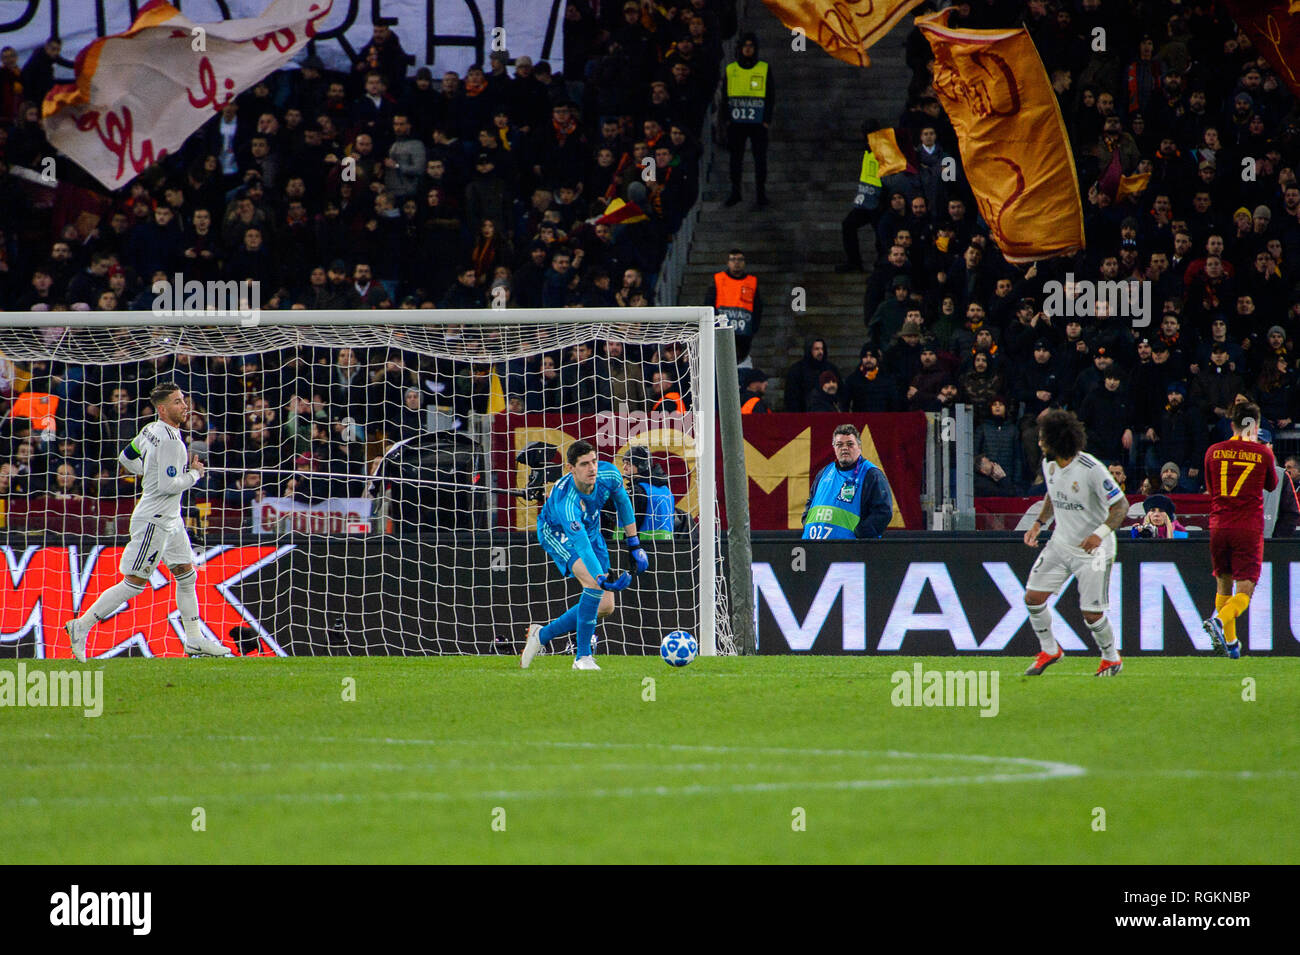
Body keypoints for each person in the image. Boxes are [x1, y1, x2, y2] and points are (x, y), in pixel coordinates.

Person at [62, 382, 231, 660]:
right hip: (154, 519)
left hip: (171, 518)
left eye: (184, 400)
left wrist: (146, 472)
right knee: (134, 583)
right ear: (163, 409)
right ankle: (82, 625)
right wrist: (195, 474)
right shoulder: (172, 442)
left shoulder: (149, 430)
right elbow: (167, 486)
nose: (185, 406)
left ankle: (194, 640)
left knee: (187, 575)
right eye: (178, 402)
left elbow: (125, 458)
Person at [521, 440, 648, 671]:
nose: (592, 468)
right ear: (571, 468)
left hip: (590, 529)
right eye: (584, 464)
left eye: (594, 461)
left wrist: (634, 543)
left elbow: (623, 502)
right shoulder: (566, 503)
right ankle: (582, 657)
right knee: (593, 583)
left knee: (606, 607)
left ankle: (542, 635)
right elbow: (581, 547)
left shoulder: (608, 473)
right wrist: (599, 578)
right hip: (557, 532)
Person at [1022, 409, 1129, 677]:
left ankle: (1111, 658)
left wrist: (1099, 534)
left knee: (1091, 614)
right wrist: (1039, 523)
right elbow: (1052, 493)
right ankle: (1049, 650)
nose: (1039, 442)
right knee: (1033, 598)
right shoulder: (1049, 464)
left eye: (1043, 438)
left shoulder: (1091, 469)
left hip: (1093, 550)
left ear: (1058, 440)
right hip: (1060, 544)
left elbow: (1121, 505)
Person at [1201, 402, 1277, 659]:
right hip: (1247, 527)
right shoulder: (1263, 454)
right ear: (1255, 426)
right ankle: (1219, 621)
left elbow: (1211, 490)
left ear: (1231, 424)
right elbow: (1270, 485)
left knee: (1223, 585)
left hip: (1219, 525)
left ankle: (1232, 646)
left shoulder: (1213, 451)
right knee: (1244, 591)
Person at [801, 424, 893, 539]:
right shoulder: (824, 472)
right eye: (839, 444)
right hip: (813, 547)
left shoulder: (872, 475)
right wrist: (807, 522)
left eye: (850, 444)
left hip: (849, 551)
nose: (844, 448)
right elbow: (810, 502)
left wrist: (860, 534)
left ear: (859, 447)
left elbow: (883, 512)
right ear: (834, 447)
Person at [723, 32, 772, 209]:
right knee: (735, 160)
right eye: (745, 46)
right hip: (737, 123)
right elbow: (724, 96)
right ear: (740, 48)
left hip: (757, 122)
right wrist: (726, 120)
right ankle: (735, 192)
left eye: (751, 46)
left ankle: (761, 193)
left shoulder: (764, 68)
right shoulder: (731, 69)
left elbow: (770, 96)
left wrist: (766, 120)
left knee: (760, 160)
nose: (748, 49)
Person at [836, 120, 885, 273]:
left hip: (879, 199)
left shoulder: (884, 149)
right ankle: (854, 262)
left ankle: (882, 264)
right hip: (866, 199)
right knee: (848, 225)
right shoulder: (868, 149)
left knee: (881, 235)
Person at [706, 248, 761, 364]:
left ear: (744, 262)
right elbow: (709, 302)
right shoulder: (718, 279)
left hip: (744, 331)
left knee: (740, 361)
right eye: (733, 259)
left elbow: (758, 307)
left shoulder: (752, 281)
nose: (736, 262)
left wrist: (754, 328)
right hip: (722, 330)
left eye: (740, 259)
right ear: (728, 262)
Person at [622, 445, 676, 539]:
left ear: (641, 466)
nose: (624, 467)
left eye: (628, 464)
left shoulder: (637, 491)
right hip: (667, 547)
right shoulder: (665, 490)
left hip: (640, 547)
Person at [1258, 429, 1300, 538]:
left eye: (1262, 443)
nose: (1258, 447)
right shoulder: (1236, 471)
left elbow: (1291, 514)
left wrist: (1276, 541)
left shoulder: (1281, 475)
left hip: (1268, 543)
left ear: (1270, 447)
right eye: (1254, 443)